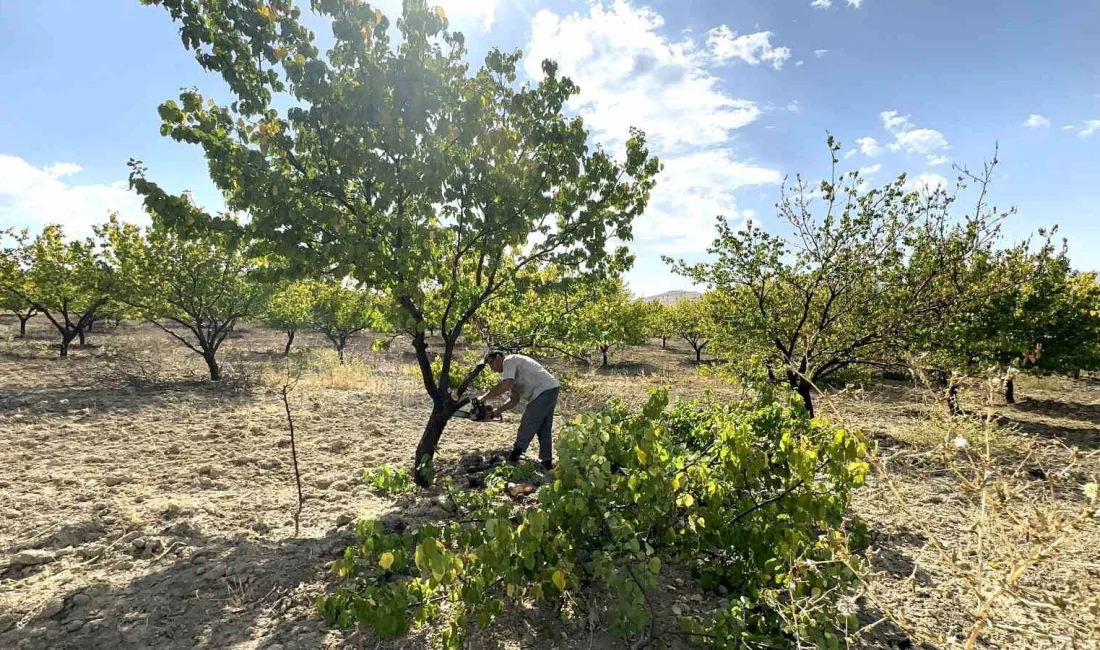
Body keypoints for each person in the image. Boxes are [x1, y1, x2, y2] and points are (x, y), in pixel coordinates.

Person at [479, 349, 560, 469]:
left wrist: (484, 398)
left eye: (491, 363)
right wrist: (498, 411)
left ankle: (515, 455)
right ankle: (546, 462)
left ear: (498, 356)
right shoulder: (509, 374)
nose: (492, 368)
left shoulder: (509, 360)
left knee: (528, 420)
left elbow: (504, 386)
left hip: (544, 390)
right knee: (543, 428)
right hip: (551, 388)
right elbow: (514, 400)